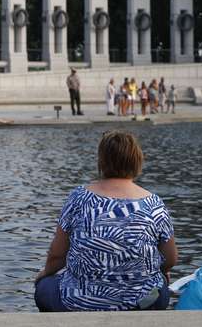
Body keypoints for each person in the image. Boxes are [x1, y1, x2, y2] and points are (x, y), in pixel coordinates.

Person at [34, 131, 177, 311]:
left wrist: (44, 274)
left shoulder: (78, 198)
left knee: (44, 286)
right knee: (162, 283)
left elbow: (57, 256)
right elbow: (170, 259)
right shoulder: (154, 204)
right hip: (141, 304)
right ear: (137, 160)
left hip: (79, 303)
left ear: (101, 161)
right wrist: (159, 270)